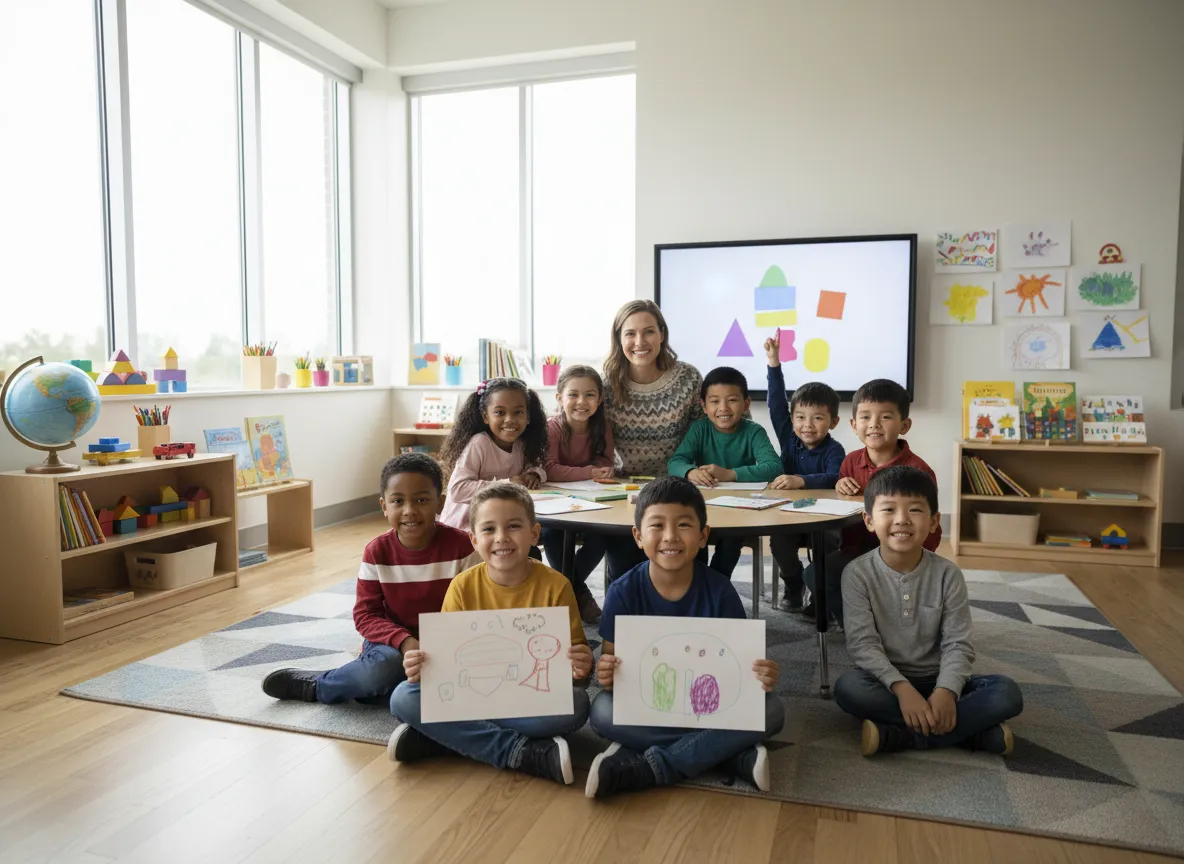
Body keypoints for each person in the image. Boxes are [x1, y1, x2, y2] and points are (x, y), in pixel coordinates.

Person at [585, 477, 785, 799]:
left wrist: (762, 675)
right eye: (657, 525)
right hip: (651, 704)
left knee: (772, 709)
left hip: (709, 706)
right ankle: (730, 755)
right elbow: (610, 673)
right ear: (637, 536)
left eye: (683, 525)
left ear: (703, 535)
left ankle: (651, 765)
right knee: (602, 712)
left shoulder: (720, 591)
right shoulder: (622, 592)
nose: (670, 537)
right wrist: (607, 673)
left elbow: (742, 670)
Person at [388, 483, 594, 785]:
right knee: (403, 697)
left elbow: (576, 670)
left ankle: (442, 738)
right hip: (472, 694)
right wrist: (422, 668)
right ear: (473, 539)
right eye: (488, 529)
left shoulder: (557, 585)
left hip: (527, 697)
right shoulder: (462, 586)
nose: (501, 538)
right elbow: (444, 664)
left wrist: (581, 664)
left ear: (534, 534)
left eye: (513, 526)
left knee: (577, 706)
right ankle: (518, 752)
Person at [261, 454, 480, 705]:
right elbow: (366, 615)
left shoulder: (463, 547)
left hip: (448, 643)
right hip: (393, 646)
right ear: (384, 506)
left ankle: (377, 688)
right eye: (398, 501)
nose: (409, 510)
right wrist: (406, 642)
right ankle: (319, 685)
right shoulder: (377, 552)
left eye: (421, 500)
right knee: (383, 669)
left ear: (440, 503)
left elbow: (476, 606)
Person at [835, 466, 1023, 756]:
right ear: (869, 520)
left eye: (915, 510)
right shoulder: (857, 574)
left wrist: (947, 691)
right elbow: (862, 645)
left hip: (939, 678)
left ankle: (898, 736)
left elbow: (958, 643)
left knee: (1007, 693)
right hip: (885, 682)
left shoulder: (948, 574)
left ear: (935, 521)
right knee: (849, 688)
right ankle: (967, 733)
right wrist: (902, 689)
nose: (902, 520)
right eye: (888, 509)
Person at [804, 378, 940, 626]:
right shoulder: (850, 462)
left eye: (885, 417)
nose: (874, 424)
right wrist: (839, 485)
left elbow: (930, 526)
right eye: (865, 417)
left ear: (904, 425)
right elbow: (845, 508)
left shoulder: (919, 471)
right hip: (857, 551)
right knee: (816, 574)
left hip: (904, 554)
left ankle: (893, 629)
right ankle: (855, 628)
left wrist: (913, 558)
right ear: (854, 425)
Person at [602, 299, 703, 583]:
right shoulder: (606, 384)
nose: (639, 341)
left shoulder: (688, 378)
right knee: (625, 571)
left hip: (678, 486)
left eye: (648, 332)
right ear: (619, 338)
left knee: (685, 565)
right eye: (630, 333)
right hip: (625, 489)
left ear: (662, 334)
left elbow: (703, 435)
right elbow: (570, 425)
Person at [667, 366, 781, 577]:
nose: (723, 408)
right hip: (702, 508)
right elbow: (675, 462)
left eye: (732, 400)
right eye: (714, 401)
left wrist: (729, 474)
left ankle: (717, 581)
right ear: (703, 405)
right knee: (692, 534)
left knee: (731, 539)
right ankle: (698, 581)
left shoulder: (753, 431)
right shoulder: (699, 429)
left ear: (746, 404)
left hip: (740, 510)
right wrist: (691, 472)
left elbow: (774, 467)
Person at [762, 330, 845, 612]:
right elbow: (775, 404)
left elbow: (834, 478)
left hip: (822, 522)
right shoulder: (789, 438)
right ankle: (794, 584)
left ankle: (819, 591)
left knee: (831, 544)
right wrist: (774, 364)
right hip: (787, 518)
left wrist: (800, 480)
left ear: (833, 422)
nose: (807, 425)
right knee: (778, 541)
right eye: (800, 417)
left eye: (817, 418)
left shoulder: (835, 450)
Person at [541, 365, 615, 624]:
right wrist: (590, 472)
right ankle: (578, 592)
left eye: (590, 395)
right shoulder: (553, 428)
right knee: (553, 533)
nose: (581, 402)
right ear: (559, 397)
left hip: (588, 497)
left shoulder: (602, 426)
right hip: (552, 500)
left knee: (603, 532)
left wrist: (596, 471)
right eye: (573, 395)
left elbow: (605, 463)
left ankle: (568, 587)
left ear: (600, 399)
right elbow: (549, 470)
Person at [438, 377, 549, 531]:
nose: (510, 420)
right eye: (500, 412)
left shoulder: (522, 443)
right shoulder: (479, 443)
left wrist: (534, 474)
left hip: (498, 524)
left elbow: (538, 465)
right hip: (464, 529)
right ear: (486, 416)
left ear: (528, 417)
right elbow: (458, 490)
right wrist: (509, 483)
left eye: (518, 412)